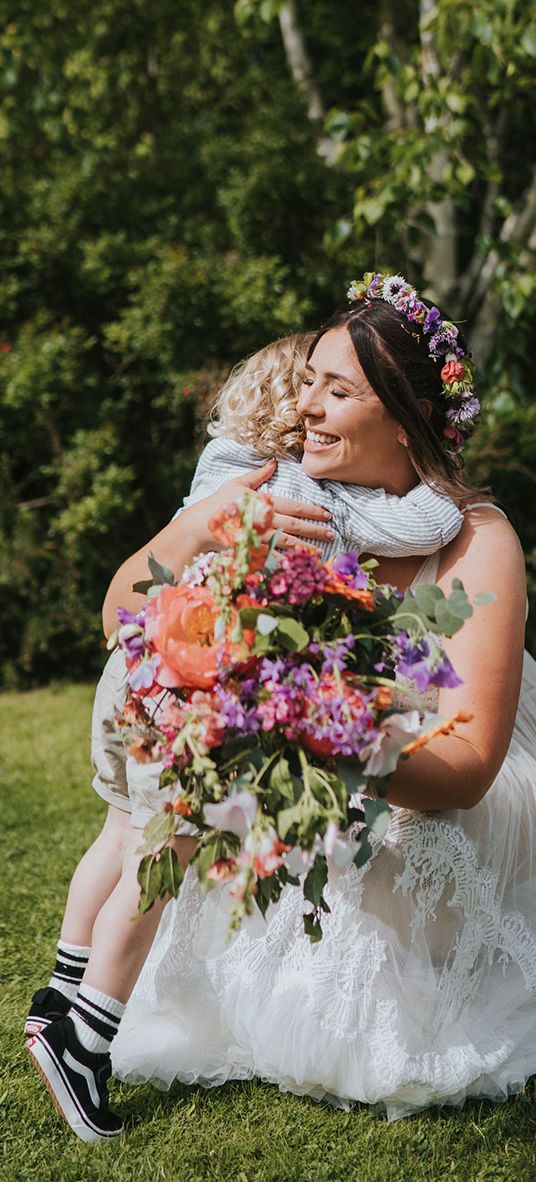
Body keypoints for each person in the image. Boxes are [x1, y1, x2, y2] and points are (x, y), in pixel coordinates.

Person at [25, 272, 528, 1133]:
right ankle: (77, 995)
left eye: (339, 391)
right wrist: (201, 528)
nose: (309, 407)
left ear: (407, 424)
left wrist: (304, 715)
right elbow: (121, 618)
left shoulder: (476, 541)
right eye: (308, 382)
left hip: (419, 794)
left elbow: (469, 769)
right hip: (288, 789)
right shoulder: (277, 494)